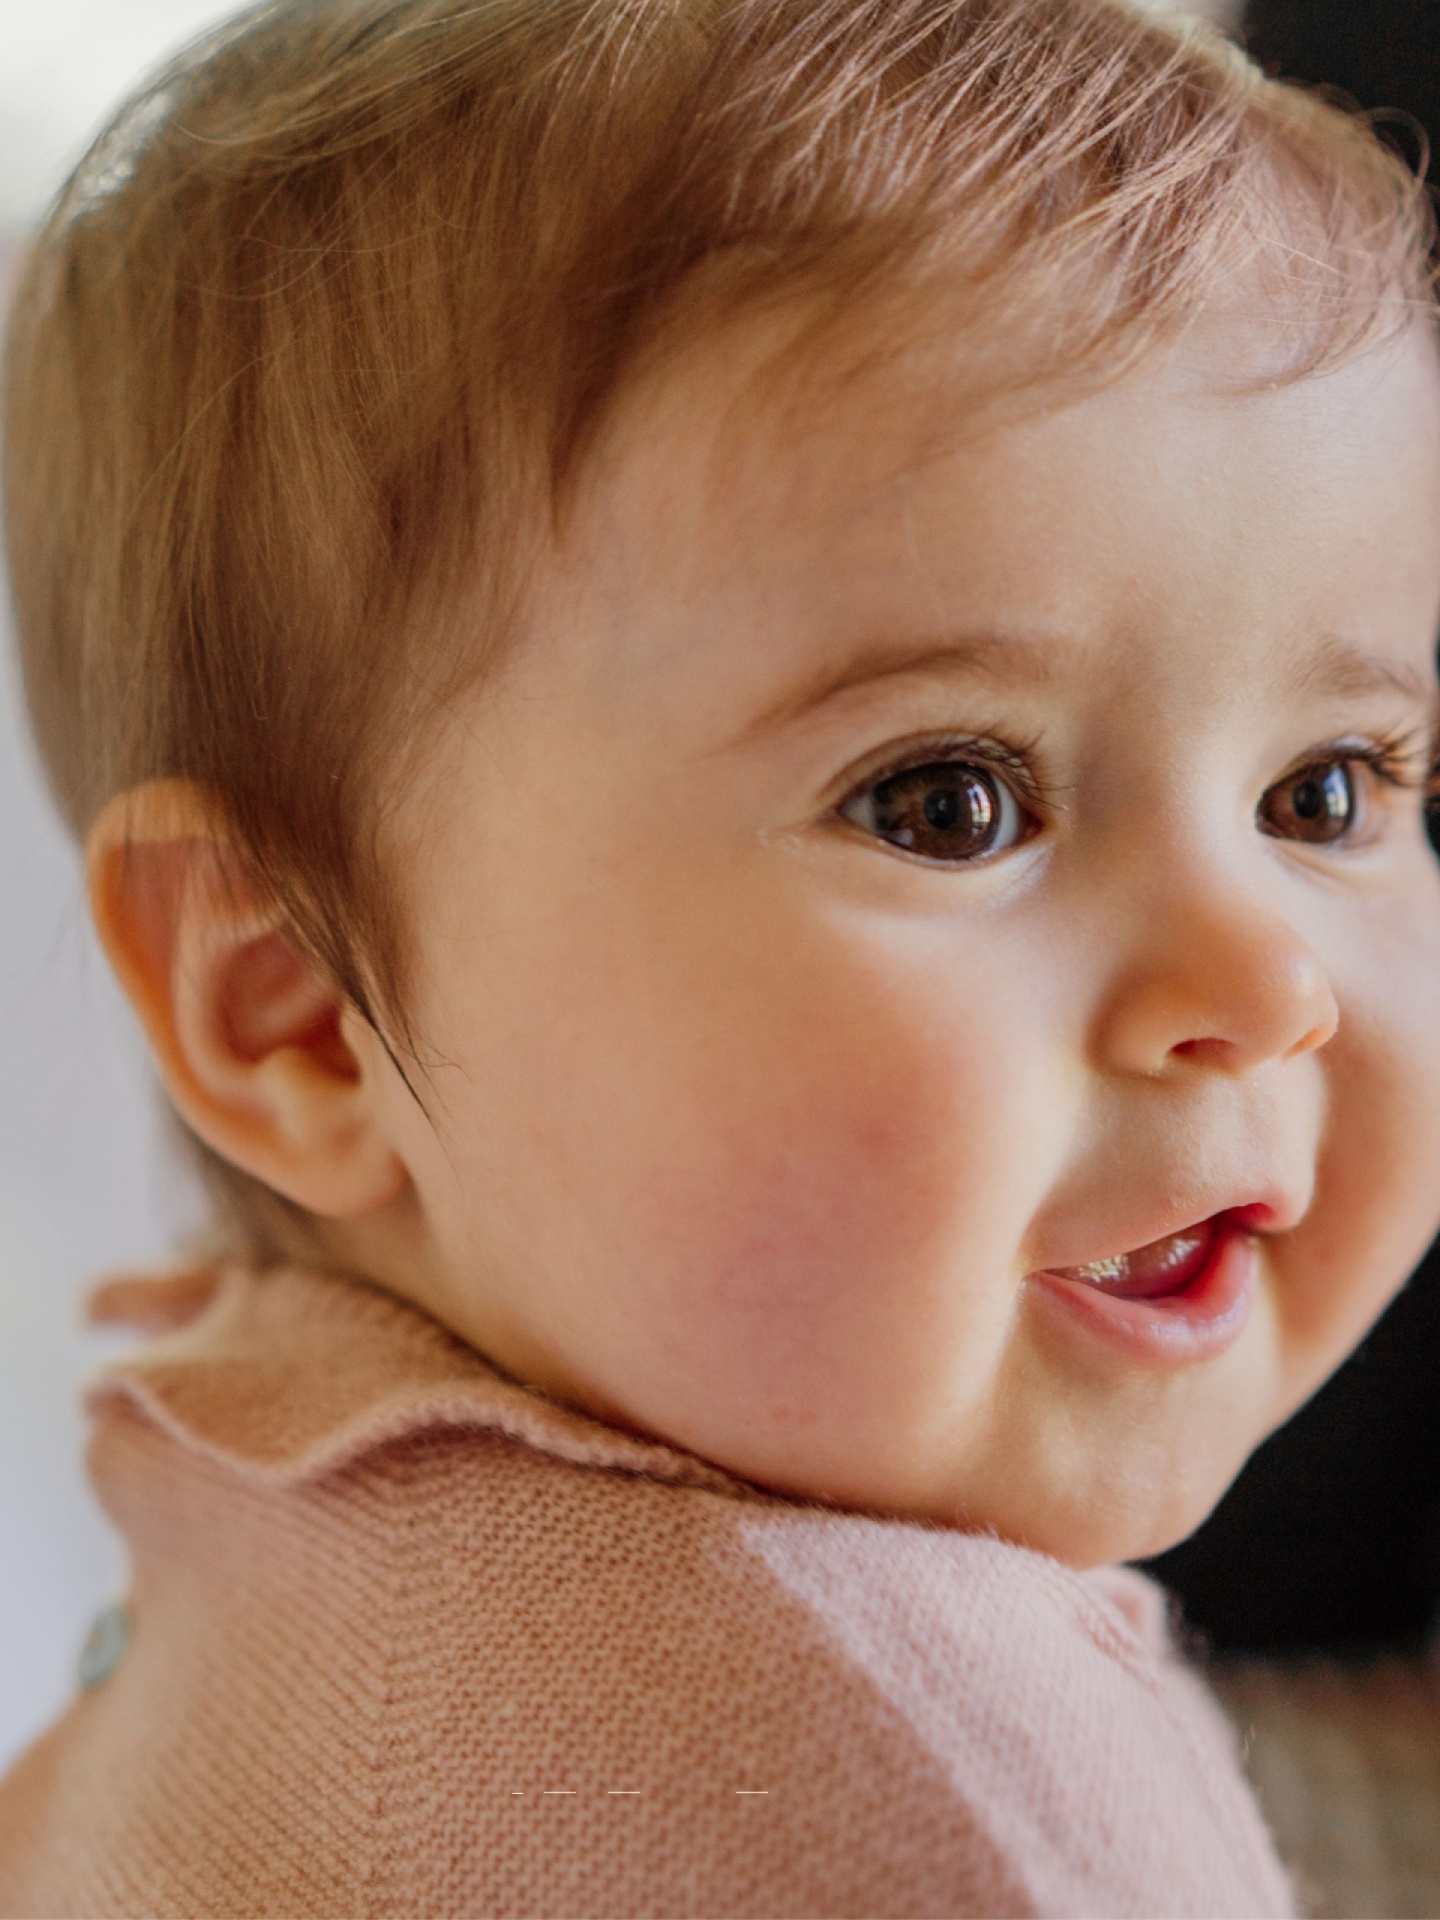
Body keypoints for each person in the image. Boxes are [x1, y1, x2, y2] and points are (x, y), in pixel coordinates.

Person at [1, 0, 1438, 1911]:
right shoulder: (947, 1801)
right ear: (305, 1013)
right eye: (952, 801)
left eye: (1328, 791)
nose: (1267, 990)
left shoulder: (266, 1467)